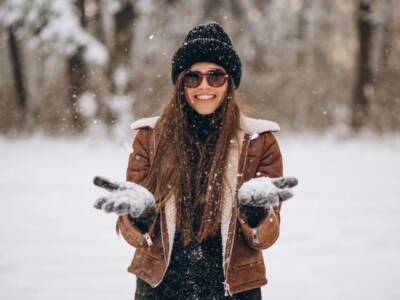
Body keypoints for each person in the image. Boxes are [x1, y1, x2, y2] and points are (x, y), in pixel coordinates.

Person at [93, 22, 298, 300]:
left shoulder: (258, 142)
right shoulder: (150, 139)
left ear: (230, 83)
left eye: (216, 76)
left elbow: (265, 237)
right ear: (181, 83)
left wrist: (257, 214)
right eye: (193, 77)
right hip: (161, 289)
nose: (204, 86)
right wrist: (139, 216)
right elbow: (135, 236)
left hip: (234, 291)